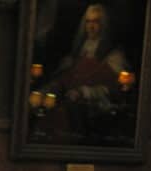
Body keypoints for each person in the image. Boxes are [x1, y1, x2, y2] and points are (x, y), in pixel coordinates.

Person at [40, 3, 131, 141]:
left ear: (102, 24)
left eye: (95, 21)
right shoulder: (79, 50)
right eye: (88, 21)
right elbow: (67, 77)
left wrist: (83, 91)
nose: (91, 26)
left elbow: (113, 89)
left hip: (93, 107)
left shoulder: (112, 55)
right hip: (69, 99)